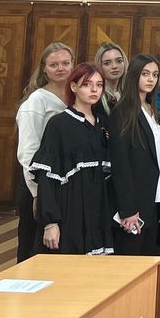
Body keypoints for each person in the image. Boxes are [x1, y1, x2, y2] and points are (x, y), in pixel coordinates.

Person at [31, 62, 113, 255]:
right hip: (69, 208)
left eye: (99, 85)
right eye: (87, 84)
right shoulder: (59, 124)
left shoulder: (103, 124)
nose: (94, 90)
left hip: (98, 211)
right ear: (74, 86)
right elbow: (46, 177)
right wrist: (50, 222)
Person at [15, 41, 74, 262]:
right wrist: (38, 193)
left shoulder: (76, 96)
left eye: (65, 63)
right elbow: (28, 151)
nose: (60, 68)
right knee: (33, 245)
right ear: (44, 69)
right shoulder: (37, 101)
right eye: (54, 64)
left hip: (65, 182)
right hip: (38, 183)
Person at [108, 54, 160, 256]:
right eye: (145, 74)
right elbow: (120, 164)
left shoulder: (152, 110)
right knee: (130, 259)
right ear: (134, 75)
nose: (151, 79)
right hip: (135, 202)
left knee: (152, 258)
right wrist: (128, 209)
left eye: (155, 74)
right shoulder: (123, 112)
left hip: (156, 197)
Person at [94, 41, 127, 121]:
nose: (114, 66)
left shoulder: (129, 93)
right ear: (99, 66)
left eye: (119, 61)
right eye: (107, 63)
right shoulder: (96, 97)